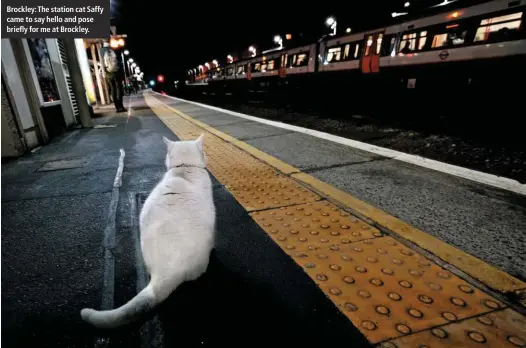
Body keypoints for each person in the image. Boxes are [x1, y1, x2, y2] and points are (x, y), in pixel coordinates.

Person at [102, 42, 126, 112]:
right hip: (116, 72)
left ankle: (117, 107)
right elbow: (119, 61)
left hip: (108, 73)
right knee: (119, 88)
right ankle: (121, 106)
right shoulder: (113, 49)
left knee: (112, 89)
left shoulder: (101, 51)